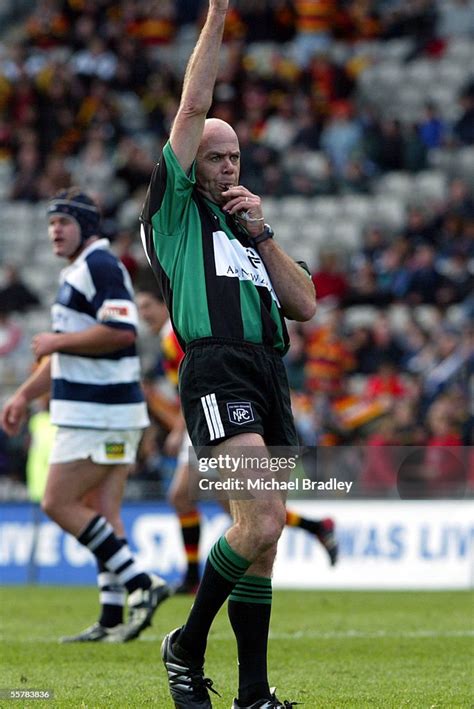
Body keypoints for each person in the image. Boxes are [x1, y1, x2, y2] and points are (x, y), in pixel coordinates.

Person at [139, 2, 317, 707]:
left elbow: (303, 304)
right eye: (215, 155)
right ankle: (185, 644)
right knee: (263, 518)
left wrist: (264, 231)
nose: (226, 165)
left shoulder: (248, 231)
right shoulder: (176, 212)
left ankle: (250, 694)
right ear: (192, 162)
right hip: (216, 365)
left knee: (263, 543)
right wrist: (217, 15)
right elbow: (193, 105)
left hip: (268, 371)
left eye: (235, 155)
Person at [1, 188, 170, 643]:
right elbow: (62, 356)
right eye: (51, 223)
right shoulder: (81, 269)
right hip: (110, 411)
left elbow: (119, 331)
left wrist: (57, 342)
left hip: (99, 411)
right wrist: (22, 395)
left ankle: (140, 583)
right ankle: (112, 617)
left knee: (57, 502)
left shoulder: (99, 265)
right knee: (102, 510)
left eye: (64, 222)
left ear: (87, 226)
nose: (55, 230)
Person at [136, 284, 338, 594]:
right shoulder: (169, 335)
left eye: (147, 306)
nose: (143, 314)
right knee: (235, 506)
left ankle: (194, 578)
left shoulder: (175, 333)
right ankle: (315, 527)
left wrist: (179, 427)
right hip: (201, 417)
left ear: (164, 302)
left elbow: (193, 384)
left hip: (207, 417)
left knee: (188, 497)